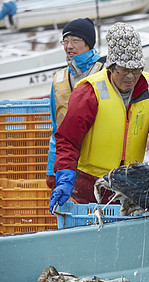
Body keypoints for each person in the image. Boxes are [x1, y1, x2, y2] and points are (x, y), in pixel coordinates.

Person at [49, 22, 149, 213]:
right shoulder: (89, 92)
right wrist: (65, 177)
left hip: (130, 186)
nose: (130, 76)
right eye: (123, 70)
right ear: (111, 67)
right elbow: (68, 140)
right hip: (89, 186)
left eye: (136, 70)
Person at [46, 18, 105, 190]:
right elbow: (56, 128)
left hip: (101, 166)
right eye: (65, 41)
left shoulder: (105, 72)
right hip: (69, 165)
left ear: (88, 43)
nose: (69, 46)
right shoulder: (59, 79)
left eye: (75, 40)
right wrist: (52, 168)